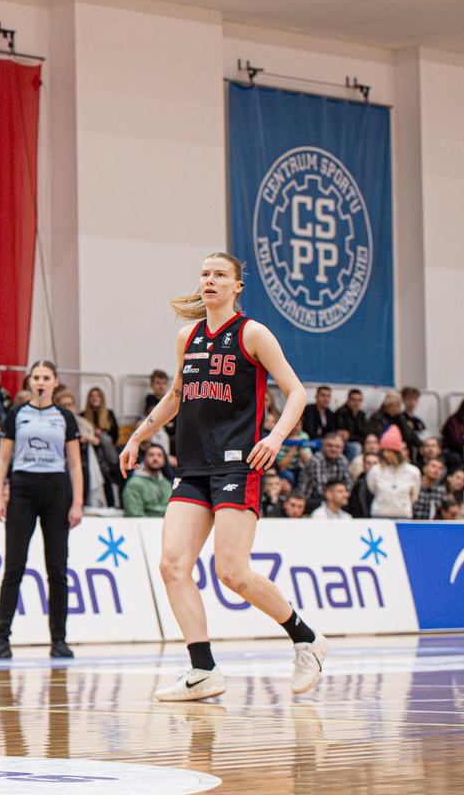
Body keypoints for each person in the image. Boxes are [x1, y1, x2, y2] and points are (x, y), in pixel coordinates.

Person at [119, 253, 323, 702]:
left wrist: (276, 437)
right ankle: (203, 669)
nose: (209, 280)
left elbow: (297, 392)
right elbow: (176, 396)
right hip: (192, 466)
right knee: (172, 565)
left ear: (237, 286)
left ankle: (306, 638)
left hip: (237, 464)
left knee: (231, 571)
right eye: (205, 274)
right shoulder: (187, 336)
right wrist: (137, 436)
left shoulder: (252, 333)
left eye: (220, 275)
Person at [0, 360, 84, 660]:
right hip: (23, 489)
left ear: (55, 382)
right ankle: (1, 639)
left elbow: (75, 464)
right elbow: (2, 458)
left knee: (57, 569)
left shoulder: (65, 417)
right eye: (36, 377)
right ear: (29, 382)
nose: (41, 382)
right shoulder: (17, 414)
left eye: (46, 377)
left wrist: (77, 503)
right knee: (14, 567)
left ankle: (59, 640)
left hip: (55, 489)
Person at [293, 432, 351, 512]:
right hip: (310, 498)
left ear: (342, 449)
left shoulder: (343, 460)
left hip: (332, 496)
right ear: (323, 446)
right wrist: (338, 496)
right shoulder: (316, 461)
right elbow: (320, 489)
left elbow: (348, 482)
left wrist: (345, 494)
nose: (333, 449)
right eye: (330, 446)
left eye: (337, 447)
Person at [367, 429, 419, 519]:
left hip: (403, 515)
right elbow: (372, 489)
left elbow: (414, 496)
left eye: (389, 451)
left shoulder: (413, 472)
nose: (386, 455)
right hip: (380, 514)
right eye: (384, 451)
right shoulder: (375, 470)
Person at [122, 443, 174, 518]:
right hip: (142, 524)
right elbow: (134, 514)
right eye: (151, 455)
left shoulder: (166, 483)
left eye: (159, 455)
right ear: (144, 459)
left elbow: (172, 509)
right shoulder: (134, 483)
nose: (155, 458)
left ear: (164, 460)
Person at [334, 388, 368, 460]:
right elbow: (345, 435)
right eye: (354, 400)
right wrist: (355, 437)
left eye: (359, 400)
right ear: (348, 400)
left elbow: (365, 433)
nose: (357, 403)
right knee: (356, 447)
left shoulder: (361, 415)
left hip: (359, 441)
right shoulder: (341, 412)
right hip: (345, 443)